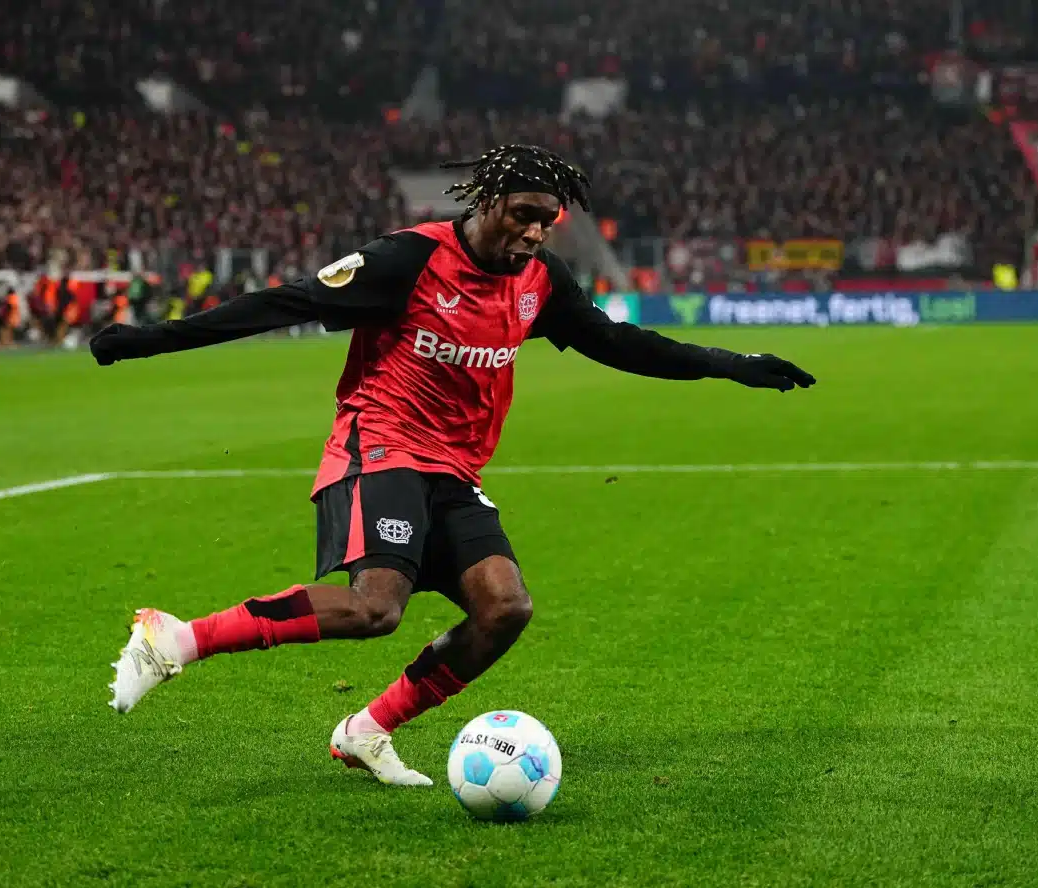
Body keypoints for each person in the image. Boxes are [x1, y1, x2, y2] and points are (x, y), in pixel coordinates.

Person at [91, 144, 816, 786]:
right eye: (524, 214)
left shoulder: (541, 281)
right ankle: (175, 638)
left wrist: (735, 365)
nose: (533, 233)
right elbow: (286, 302)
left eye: (547, 222)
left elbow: (622, 344)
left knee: (505, 608)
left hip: (454, 470)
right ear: (488, 202)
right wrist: (150, 339)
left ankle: (367, 731)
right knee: (377, 608)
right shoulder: (407, 259)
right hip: (379, 445)